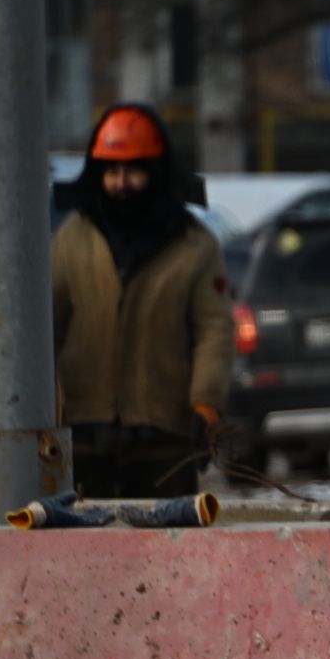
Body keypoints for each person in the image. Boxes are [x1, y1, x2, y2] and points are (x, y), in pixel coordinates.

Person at [52, 103, 232, 498]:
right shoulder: (72, 238)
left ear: (157, 172)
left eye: (134, 170)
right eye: (111, 172)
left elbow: (214, 330)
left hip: (164, 436)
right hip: (83, 433)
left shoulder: (195, 244)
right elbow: (46, 326)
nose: (122, 183)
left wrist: (206, 404)